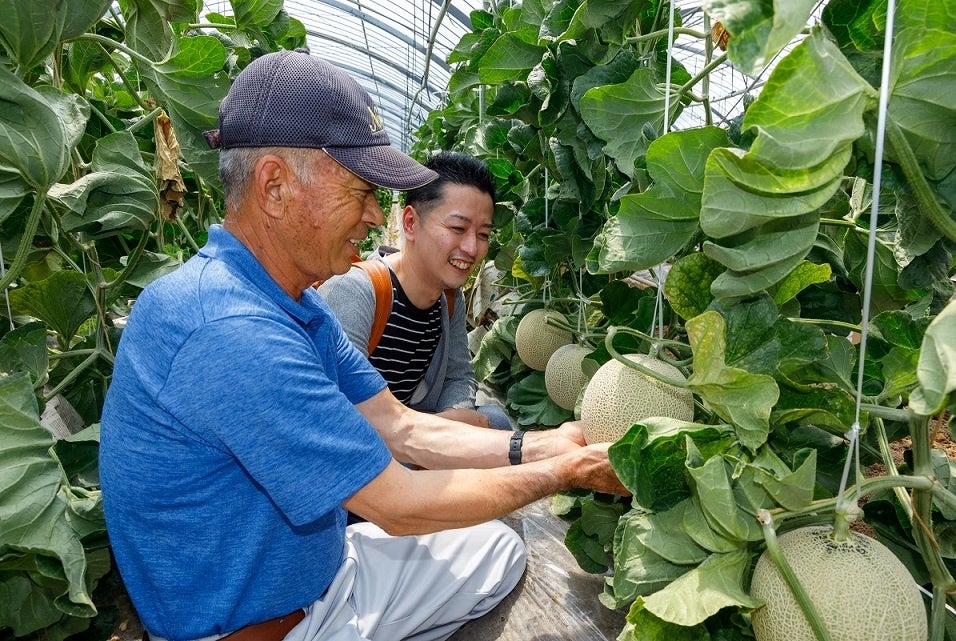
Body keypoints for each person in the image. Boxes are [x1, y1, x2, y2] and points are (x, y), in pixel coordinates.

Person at [99, 49, 626, 641]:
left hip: (320, 577)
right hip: (261, 626)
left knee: (497, 551)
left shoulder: (292, 302)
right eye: (360, 191)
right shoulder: (232, 330)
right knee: (465, 537)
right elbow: (399, 505)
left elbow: (400, 425)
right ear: (274, 186)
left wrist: (545, 444)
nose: (376, 216)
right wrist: (567, 470)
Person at [319, 151, 512, 430]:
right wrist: (442, 432)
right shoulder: (354, 291)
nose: (472, 248)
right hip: (363, 438)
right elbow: (342, 416)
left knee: (496, 420)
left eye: (483, 234)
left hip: (413, 429)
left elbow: (458, 376)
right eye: (458, 228)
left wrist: (454, 417)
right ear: (410, 223)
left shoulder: (450, 299)